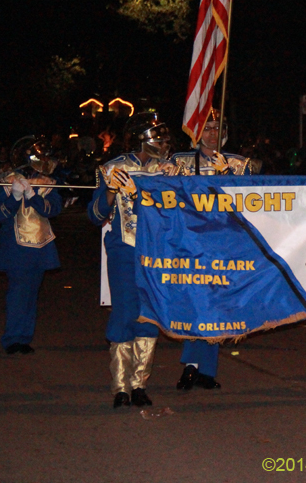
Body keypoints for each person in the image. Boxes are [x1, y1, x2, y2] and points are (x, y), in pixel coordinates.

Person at [88, 111, 172, 408]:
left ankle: (139, 384)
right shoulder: (113, 167)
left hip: (157, 251)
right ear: (141, 137)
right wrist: (110, 191)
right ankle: (120, 387)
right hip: (124, 248)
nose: (162, 141)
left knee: (148, 315)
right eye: (156, 134)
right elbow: (95, 215)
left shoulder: (171, 170)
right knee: (125, 313)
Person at [170, 108, 252, 392]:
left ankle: (206, 370)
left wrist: (227, 176)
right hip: (189, 244)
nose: (212, 133)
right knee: (195, 304)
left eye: (217, 128)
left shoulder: (240, 164)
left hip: (224, 245)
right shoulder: (178, 162)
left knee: (216, 307)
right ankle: (191, 366)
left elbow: (249, 203)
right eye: (207, 128)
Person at [0, 135, 62, 355]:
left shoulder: (48, 182)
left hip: (41, 245)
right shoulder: (6, 181)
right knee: (18, 294)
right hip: (16, 247)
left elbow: (53, 210)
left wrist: (33, 196)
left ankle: (24, 338)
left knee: (32, 294)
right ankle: (12, 338)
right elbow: (0, 214)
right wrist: (14, 197)